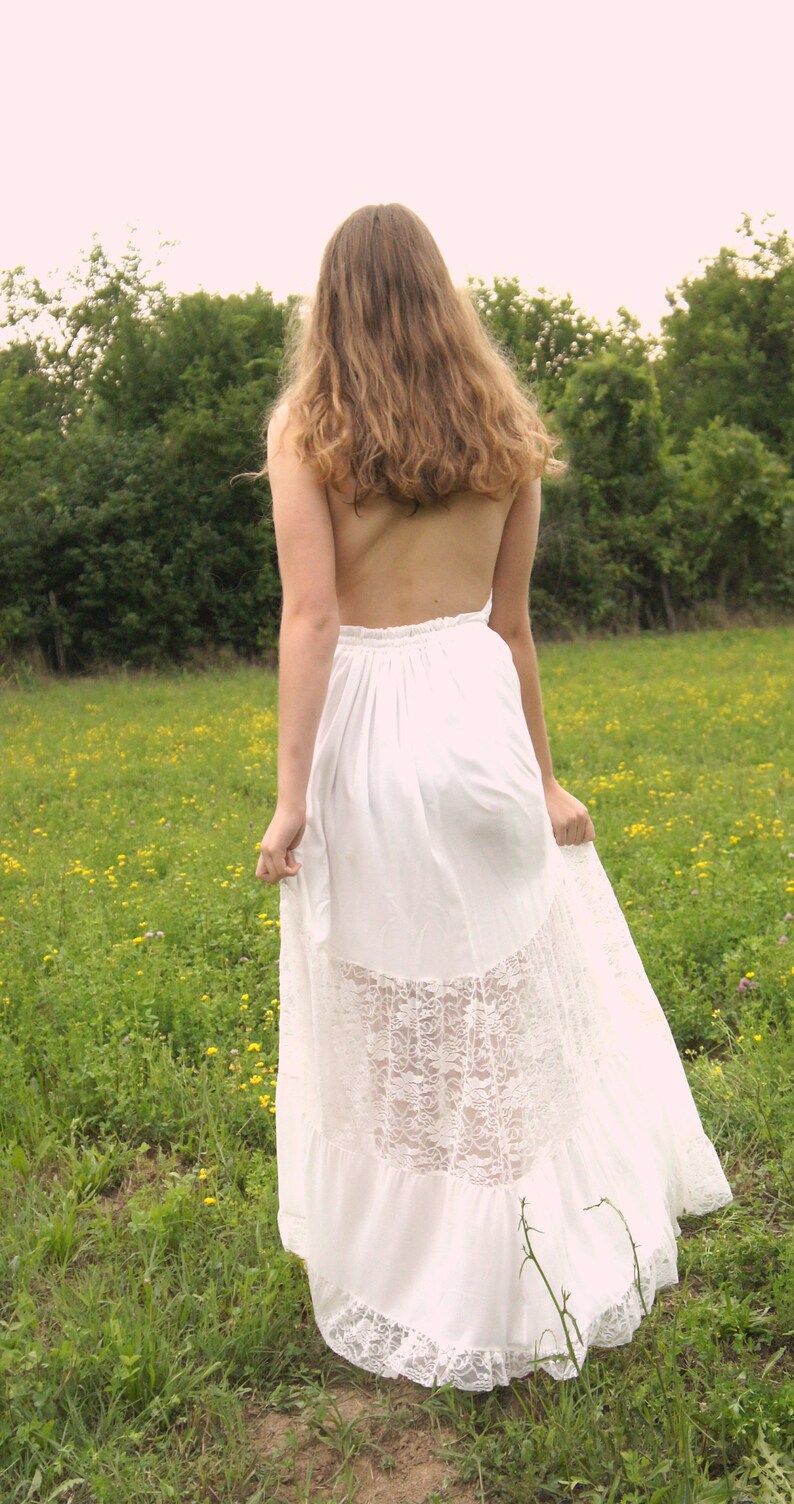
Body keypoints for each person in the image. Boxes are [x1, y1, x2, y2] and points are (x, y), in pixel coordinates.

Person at [253, 203, 734, 1391]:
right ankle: (541, 1243)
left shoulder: (306, 433)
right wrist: (545, 776)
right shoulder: (503, 435)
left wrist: (288, 796)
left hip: (369, 735)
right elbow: (509, 627)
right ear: (443, 296)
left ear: (331, 305)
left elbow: (312, 617)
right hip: (477, 724)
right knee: (508, 1003)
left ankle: (433, 1265)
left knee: (389, 1007)